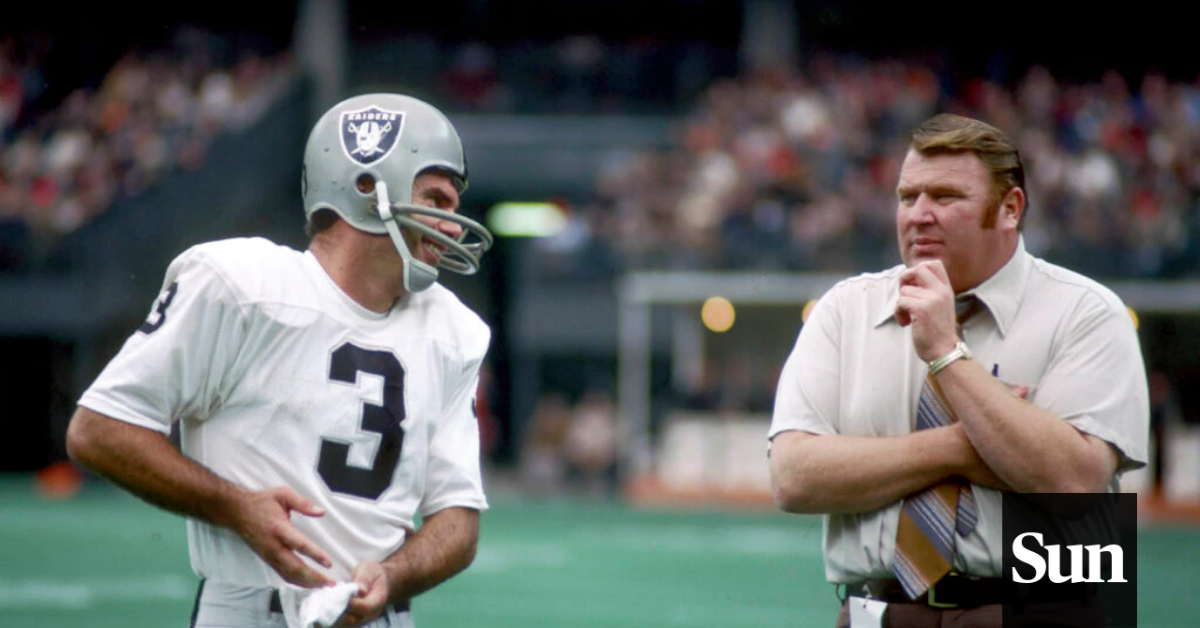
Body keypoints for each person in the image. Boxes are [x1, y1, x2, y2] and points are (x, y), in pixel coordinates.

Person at [66, 93, 495, 628]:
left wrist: (395, 575)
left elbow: (457, 517)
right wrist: (233, 506)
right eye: (436, 200)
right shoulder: (241, 285)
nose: (452, 227)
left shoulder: (453, 331)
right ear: (366, 186)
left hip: (381, 617)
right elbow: (98, 429)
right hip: (248, 611)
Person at [768, 113, 1148, 627]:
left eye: (946, 197)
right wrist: (964, 446)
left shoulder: (1087, 313)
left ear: (1010, 209)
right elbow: (793, 478)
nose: (919, 215)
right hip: (877, 613)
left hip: (1041, 612)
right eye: (907, 197)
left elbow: (1073, 484)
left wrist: (947, 353)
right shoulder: (845, 309)